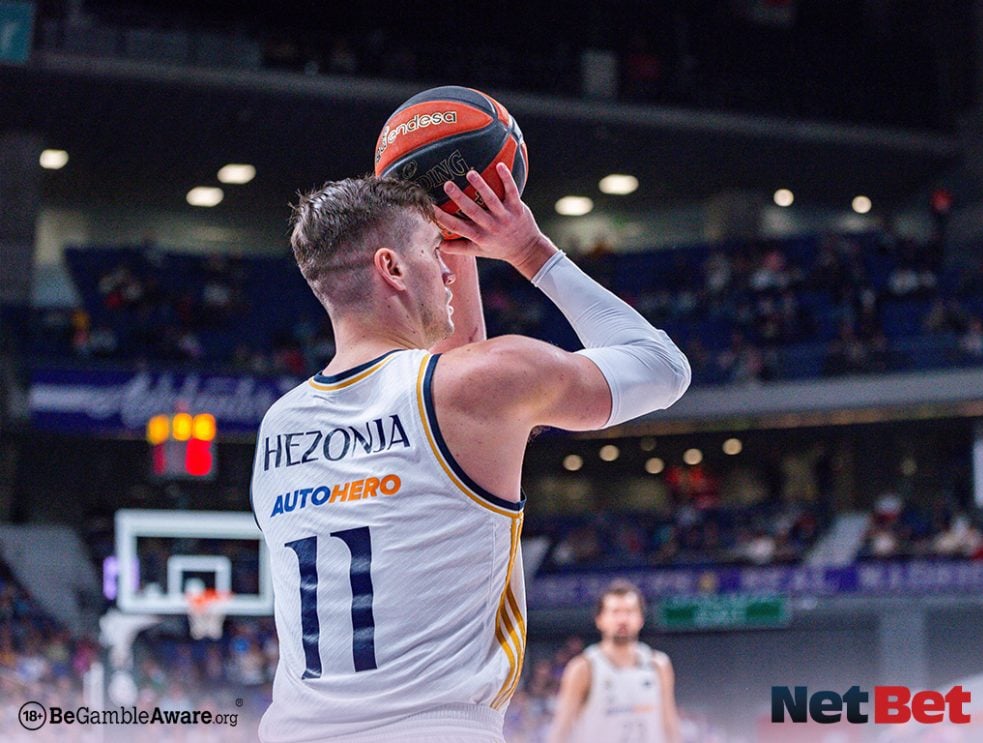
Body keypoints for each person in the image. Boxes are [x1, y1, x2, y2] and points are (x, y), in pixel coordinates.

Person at [250, 163, 691, 742]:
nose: (447, 270)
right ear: (392, 268)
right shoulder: (474, 387)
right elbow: (663, 367)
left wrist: (445, 228)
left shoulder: (279, 426)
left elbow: (447, 380)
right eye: (436, 252)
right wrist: (529, 250)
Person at [549, 580, 681, 743]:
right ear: (599, 619)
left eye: (629, 612)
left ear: (641, 619)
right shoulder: (584, 668)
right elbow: (561, 729)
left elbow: (670, 724)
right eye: (615, 612)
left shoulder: (659, 665)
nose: (622, 619)